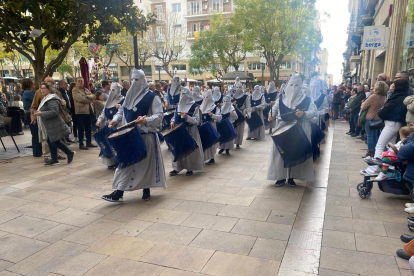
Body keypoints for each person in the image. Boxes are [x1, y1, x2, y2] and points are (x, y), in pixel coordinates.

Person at [102, 69, 166, 202]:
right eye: (133, 80)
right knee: (125, 164)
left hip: (146, 136)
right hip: (129, 137)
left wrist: (146, 120)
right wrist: (115, 119)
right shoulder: (128, 97)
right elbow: (121, 111)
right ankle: (119, 192)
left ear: (143, 81)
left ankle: (146, 189)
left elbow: (159, 115)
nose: (135, 83)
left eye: (137, 80)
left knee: (145, 165)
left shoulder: (152, 97)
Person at [267, 74, 317, 187]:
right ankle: (280, 177)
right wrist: (271, 114)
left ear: (301, 86)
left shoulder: (307, 99)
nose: (293, 87)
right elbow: (274, 109)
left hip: (298, 131)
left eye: (297, 85)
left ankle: (291, 177)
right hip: (282, 130)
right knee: (280, 154)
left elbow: (314, 112)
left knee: (295, 153)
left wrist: (303, 113)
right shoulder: (281, 99)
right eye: (291, 85)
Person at [362, 78, 410, 175]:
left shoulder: (396, 98)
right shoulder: (404, 97)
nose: (391, 87)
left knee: (380, 145)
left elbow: (384, 111)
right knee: (391, 147)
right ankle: (389, 168)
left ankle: (374, 169)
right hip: (397, 123)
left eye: (394, 85)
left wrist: (380, 111)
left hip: (391, 123)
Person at [33, 83, 75, 166]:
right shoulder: (46, 98)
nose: (42, 90)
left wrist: (42, 113)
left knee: (54, 142)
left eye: (43, 88)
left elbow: (54, 112)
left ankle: (69, 153)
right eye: (41, 88)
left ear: (49, 89)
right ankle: (54, 159)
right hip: (49, 125)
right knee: (51, 141)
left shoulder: (52, 99)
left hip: (54, 124)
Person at [169, 86, 204, 176]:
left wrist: (186, 117)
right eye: (181, 94)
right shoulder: (178, 106)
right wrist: (172, 121)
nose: (182, 96)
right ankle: (176, 168)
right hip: (178, 130)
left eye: (184, 94)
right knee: (177, 149)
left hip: (190, 131)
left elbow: (197, 121)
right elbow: (174, 116)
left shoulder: (195, 106)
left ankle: (190, 167)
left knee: (190, 150)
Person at [30, 76, 65, 162]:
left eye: (51, 82)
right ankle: (47, 155)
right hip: (44, 119)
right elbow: (33, 106)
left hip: (55, 119)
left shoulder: (57, 92)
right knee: (45, 138)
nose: (50, 84)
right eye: (47, 83)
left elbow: (60, 106)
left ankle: (57, 154)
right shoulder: (39, 93)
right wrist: (33, 117)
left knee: (57, 137)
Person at [96, 82, 124, 168]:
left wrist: (120, 108)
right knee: (108, 145)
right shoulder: (109, 102)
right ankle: (111, 163)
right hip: (108, 126)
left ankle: (119, 161)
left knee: (118, 145)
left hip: (119, 125)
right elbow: (103, 113)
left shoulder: (124, 100)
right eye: (112, 90)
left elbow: (124, 112)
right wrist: (99, 120)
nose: (114, 92)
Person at [360, 81, 388, 158]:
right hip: (378, 118)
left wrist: (363, 103)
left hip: (370, 118)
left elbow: (363, 107)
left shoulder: (373, 97)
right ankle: (375, 151)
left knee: (369, 136)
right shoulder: (384, 97)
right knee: (375, 135)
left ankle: (370, 151)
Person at [72, 77, 97, 150]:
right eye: (79, 81)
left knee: (88, 127)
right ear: (76, 82)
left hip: (88, 111)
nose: (80, 82)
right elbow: (80, 99)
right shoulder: (75, 90)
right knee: (81, 128)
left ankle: (88, 142)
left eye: (81, 81)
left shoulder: (85, 89)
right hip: (80, 111)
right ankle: (81, 144)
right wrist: (89, 99)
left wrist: (86, 96)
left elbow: (94, 96)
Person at [200, 89, 222, 164]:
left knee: (212, 143)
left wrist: (212, 115)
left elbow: (219, 118)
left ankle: (212, 157)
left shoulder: (215, 108)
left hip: (212, 126)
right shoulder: (201, 107)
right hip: (203, 127)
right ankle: (204, 157)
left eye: (207, 98)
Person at [22, 79, 42, 157]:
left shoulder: (26, 92)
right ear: (29, 84)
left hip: (30, 113)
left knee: (35, 133)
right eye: (32, 82)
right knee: (35, 133)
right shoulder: (29, 92)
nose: (33, 83)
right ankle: (37, 152)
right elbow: (37, 100)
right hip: (31, 113)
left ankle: (38, 151)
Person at [232, 78, 250, 149]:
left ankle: (238, 143)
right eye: (237, 87)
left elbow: (248, 106)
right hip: (233, 114)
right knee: (234, 128)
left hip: (242, 113)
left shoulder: (245, 96)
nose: (238, 89)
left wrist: (248, 113)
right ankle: (232, 142)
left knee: (240, 129)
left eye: (239, 87)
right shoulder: (232, 96)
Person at [58, 80, 75, 144]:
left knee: (68, 125)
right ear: (61, 84)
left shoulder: (66, 92)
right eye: (65, 83)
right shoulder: (59, 92)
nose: (67, 85)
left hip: (68, 111)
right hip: (63, 111)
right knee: (64, 125)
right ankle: (63, 139)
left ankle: (67, 137)